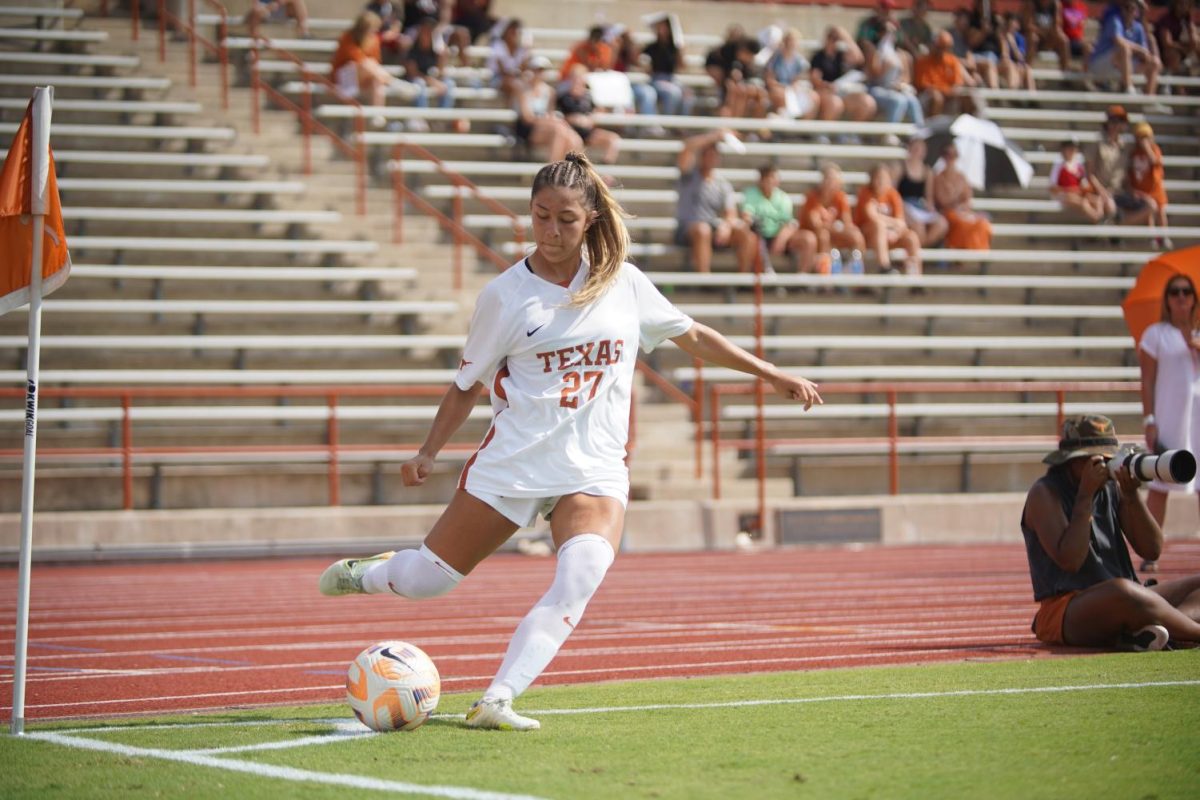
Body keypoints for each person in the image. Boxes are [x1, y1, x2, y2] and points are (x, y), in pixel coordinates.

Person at [319, 151, 823, 731]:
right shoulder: (506, 296)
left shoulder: (623, 284)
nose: (551, 231)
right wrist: (428, 451)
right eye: (540, 217)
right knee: (426, 582)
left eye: (565, 219)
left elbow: (694, 336)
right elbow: (466, 385)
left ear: (590, 221)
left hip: (595, 468)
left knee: (580, 575)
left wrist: (771, 373)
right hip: (515, 464)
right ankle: (373, 572)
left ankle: (499, 698)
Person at [1021, 414, 1200, 651]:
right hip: (1066, 609)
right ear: (1072, 461)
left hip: (1129, 598)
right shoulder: (1044, 494)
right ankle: (1190, 632)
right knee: (1124, 591)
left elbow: (1152, 549)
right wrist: (1084, 497)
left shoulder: (1110, 487)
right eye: (1096, 458)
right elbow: (1071, 560)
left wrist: (1131, 495)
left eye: (1108, 458)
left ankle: (1149, 631)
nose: (1104, 465)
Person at [1139, 274, 1200, 547]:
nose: (1181, 297)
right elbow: (1148, 379)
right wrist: (1149, 419)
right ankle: (1152, 549)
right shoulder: (1156, 334)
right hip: (1170, 417)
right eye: (1174, 292)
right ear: (1167, 299)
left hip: (1198, 420)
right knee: (1160, 484)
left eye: (1186, 291)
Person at [675, 129, 758, 273]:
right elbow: (687, 147)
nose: (711, 158)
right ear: (701, 157)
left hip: (711, 227)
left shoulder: (722, 184)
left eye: (714, 155)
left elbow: (731, 214)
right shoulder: (688, 176)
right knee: (703, 230)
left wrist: (725, 226)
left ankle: (743, 279)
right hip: (687, 228)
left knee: (745, 233)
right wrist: (714, 136)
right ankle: (704, 278)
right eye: (707, 155)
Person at [1084, 105, 1155, 228]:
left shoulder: (1125, 146)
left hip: (1119, 192)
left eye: (1121, 121)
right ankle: (1112, 231)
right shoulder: (1097, 143)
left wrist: (1132, 190)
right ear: (1107, 122)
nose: (1117, 125)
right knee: (1111, 207)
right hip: (1101, 192)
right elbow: (1089, 174)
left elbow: (1125, 174)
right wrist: (1102, 192)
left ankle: (1117, 224)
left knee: (1151, 205)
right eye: (1114, 120)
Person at [741, 164, 819, 273]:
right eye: (769, 178)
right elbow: (746, 216)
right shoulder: (751, 193)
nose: (772, 181)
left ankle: (802, 279)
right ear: (762, 180)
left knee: (808, 239)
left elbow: (789, 223)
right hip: (758, 235)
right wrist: (753, 225)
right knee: (751, 237)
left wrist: (781, 239)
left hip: (779, 236)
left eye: (774, 178)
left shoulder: (783, 197)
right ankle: (748, 277)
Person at [799, 164, 867, 275]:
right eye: (828, 179)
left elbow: (847, 223)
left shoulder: (840, 197)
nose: (831, 183)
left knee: (856, 236)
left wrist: (836, 227)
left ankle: (855, 270)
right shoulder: (812, 197)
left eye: (834, 179)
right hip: (815, 234)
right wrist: (834, 226)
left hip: (832, 232)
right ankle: (825, 272)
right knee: (823, 236)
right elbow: (816, 225)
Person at [854, 163, 921, 275]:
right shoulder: (865, 193)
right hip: (867, 237)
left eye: (884, 178)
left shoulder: (893, 194)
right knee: (878, 226)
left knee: (912, 238)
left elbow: (901, 223)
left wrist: (894, 231)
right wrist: (891, 224)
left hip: (889, 236)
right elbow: (872, 217)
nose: (881, 181)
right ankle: (884, 266)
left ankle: (915, 278)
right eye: (878, 178)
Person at [1088, 0, 1163, 98]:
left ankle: (1149, 99)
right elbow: (1119, 41)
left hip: (1120, 65)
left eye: (1132, 8)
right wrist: (1139, 50)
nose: (1128, 11)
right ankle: (1129, 88)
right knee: (1124, 48)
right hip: (1101, 62)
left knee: (1155, 62)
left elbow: (1144, 53)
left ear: (1137, 12)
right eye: (1126, 7)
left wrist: (1145, 55)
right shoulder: (1114, 20)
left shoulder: (1138, 27)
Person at [513, 56, 581, 162]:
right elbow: (527, 118)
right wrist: (550, 121)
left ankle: (563, 171)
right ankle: (554, 170)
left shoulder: (550, 91)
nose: (539, 73)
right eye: (537, 70)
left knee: (572, 138)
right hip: (527, 129)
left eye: (542, 70)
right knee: (559, 131)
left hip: (544, 127)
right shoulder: (523, 90)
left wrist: (551, 121)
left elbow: (549, 113)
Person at [809, 26, 877, 126]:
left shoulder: (840, 55)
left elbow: (859, 58)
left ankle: (850, 134)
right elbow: (815, 79)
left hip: (841, 91)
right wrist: (828, 86)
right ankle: (823, 133)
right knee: (835, 103)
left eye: (836, 38)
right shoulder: (818, 56)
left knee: (867, 103)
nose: (833, 41)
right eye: (831, 38)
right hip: (824, 92)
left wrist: (845, 36)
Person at [932, 143, 992, 251]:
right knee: (959, 222)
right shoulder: (938, 177)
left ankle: (975, 250)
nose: (950, 158)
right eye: (947, 154)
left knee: (982, 223)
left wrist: (962, 207)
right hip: (947, 213)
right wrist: (953, 195)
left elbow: (967, 200)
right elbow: (942, 201)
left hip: (962, 212)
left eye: (953, 154)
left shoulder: (962, 177)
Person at [556, 65, 621, 165]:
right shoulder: (563, 97)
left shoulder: (589, 97)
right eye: (575, 78)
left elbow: (598, 111)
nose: (577, 82)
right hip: (570, 131)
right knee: (576, 141)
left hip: (587, 132)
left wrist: (589, 119)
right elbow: (557, 116)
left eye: (580, 78)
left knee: (613, 139)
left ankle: (605, 169)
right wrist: (572, 119)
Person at [331, 11, 396, 109]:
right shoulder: (347, 37)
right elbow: (355, 58)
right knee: (366, 63)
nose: (374, 32)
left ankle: (377, 115)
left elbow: (376, 61)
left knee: (376, 80)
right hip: (343, 78)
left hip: (364, 78)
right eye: (372, 29)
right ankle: (393, 82)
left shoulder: (374, 39)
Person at [898, 138, 948, 248]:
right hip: (904, 205)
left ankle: (921, 247)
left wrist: (930, 207)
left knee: (942, 223)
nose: (918, 152)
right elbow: (894, 192)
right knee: (918, 226)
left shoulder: (927, 172)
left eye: (920, 149)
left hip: (919, 206)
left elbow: (928, 197)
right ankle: (919, 252)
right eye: (915, 149)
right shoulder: (900, 168)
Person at [1127, 121, 1170, 248]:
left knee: (1161, 212)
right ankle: (1152, 237)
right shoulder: (1134, 153)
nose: (1143, 140)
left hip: (1155, 187)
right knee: (1149, 213)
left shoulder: (1155, 150)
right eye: (1140, 137)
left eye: (1146, 137)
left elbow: (1155, 162)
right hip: (1142, 189)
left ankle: (1164, 236)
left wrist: (1148, 149)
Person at [642, 14, 694, 117]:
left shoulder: (674, 48)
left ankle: (680, 125)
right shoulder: (651, 47)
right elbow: (646, 68)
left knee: (688, 94)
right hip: (656, 79)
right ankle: (667, 123)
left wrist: (680, 50)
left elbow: (682, 66)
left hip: (672, 79)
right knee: (673, 93)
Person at [914, 30, 976, 117]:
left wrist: (949, 91)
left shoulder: (952, 60)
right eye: (939, 47)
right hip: (927, 95)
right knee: (937, 97)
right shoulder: (923, 61)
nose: (941, 51)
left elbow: (957, 83)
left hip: (949, 94)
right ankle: (932, 127)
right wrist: (945, 90)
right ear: (933, 46)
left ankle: (967, 126)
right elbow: (923, 85)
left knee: (967, 96)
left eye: (945, 47)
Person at [1050, 139, 1113, 223]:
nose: (1072, 151)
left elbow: (1084, 184)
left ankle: (1100, 222)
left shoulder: (1079, 166)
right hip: (1065, 196)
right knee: (1084, 203)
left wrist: (1085, 190)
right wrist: (1071, 190)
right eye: (1069, 148)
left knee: (1097, 200)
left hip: (1078, 195)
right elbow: (1052, 188)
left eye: (1074, 148)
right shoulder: (1059, 165)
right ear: (1063, 149)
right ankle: (1099, 220)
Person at [764, 28, 821, 120]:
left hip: (793, 88)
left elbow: (800, 78)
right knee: (781, 95)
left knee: (814, 97)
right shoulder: (775, 58)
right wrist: (784, 87)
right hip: (778, 87)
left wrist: (795, 85)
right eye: (789, 41)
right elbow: (770, 80)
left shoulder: (799, 60)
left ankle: (804, 128)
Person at [404, 17, 456, 116]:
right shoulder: (412, 49)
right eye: (425, 30)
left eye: (430, 30)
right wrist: (431, 81)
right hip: (415, 79)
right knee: (419, 84)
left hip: (431, 78)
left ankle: (442, 117)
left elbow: (441, 72)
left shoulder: (436, 48)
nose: (427, 33)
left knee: (449, 83)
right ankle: (421, 117)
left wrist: (442, 55)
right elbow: (413, 74)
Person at [487, 18, 530, 105]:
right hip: (497, 78)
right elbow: (502, 71)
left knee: (523, 83)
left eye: (516, 30)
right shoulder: (498, 46)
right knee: (517, 85)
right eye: (512, 30)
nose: (514, 33)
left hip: (513, 79)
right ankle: (520, 111)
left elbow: (523, 69)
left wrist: (527, 51)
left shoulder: (521, 49)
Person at [1021, 0, 1071, 70]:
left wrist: (1054, 31)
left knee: (1063, 39)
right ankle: (1026, 69)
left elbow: (1057, 25)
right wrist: (1042, 32)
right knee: (1033, 38)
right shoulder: (1031, 3)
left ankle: (1065, 70)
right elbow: (1028, 25)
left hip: (1048, 38)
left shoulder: (1055, 4)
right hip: (1033, 37)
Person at [1156, 0, 1200, 79]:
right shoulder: (1166, 19)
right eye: (1181, 3)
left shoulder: (1187, 19)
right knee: (1173, 54)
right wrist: (1184, 49)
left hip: (1182, 50)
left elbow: (1195, 41)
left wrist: (1190, 24)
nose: (1183, 6)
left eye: (1186, 4)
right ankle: (1179, 88)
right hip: (1163, 52)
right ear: (1175, 4)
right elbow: (1167, 43)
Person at [245, 0, 310, 38]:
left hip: (281, 9)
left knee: (297, 1)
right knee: (256, 12)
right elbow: (255, 6)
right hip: (265, 11)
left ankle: (304, 33)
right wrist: (269, 8)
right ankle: (254, 39)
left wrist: (278, 3)